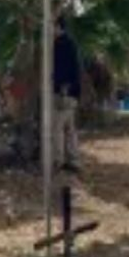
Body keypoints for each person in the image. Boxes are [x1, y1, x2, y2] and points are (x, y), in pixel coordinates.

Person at [52, 16, 82, 173]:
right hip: (72, 92)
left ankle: (59, 161)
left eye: (51, 25)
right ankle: (74, 160)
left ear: (58, 26)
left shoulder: (61, 44)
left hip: (64, 92)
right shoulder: (69, 43)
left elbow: (65, 69)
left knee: (57, 127)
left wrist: (63, 89)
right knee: (70, 128)